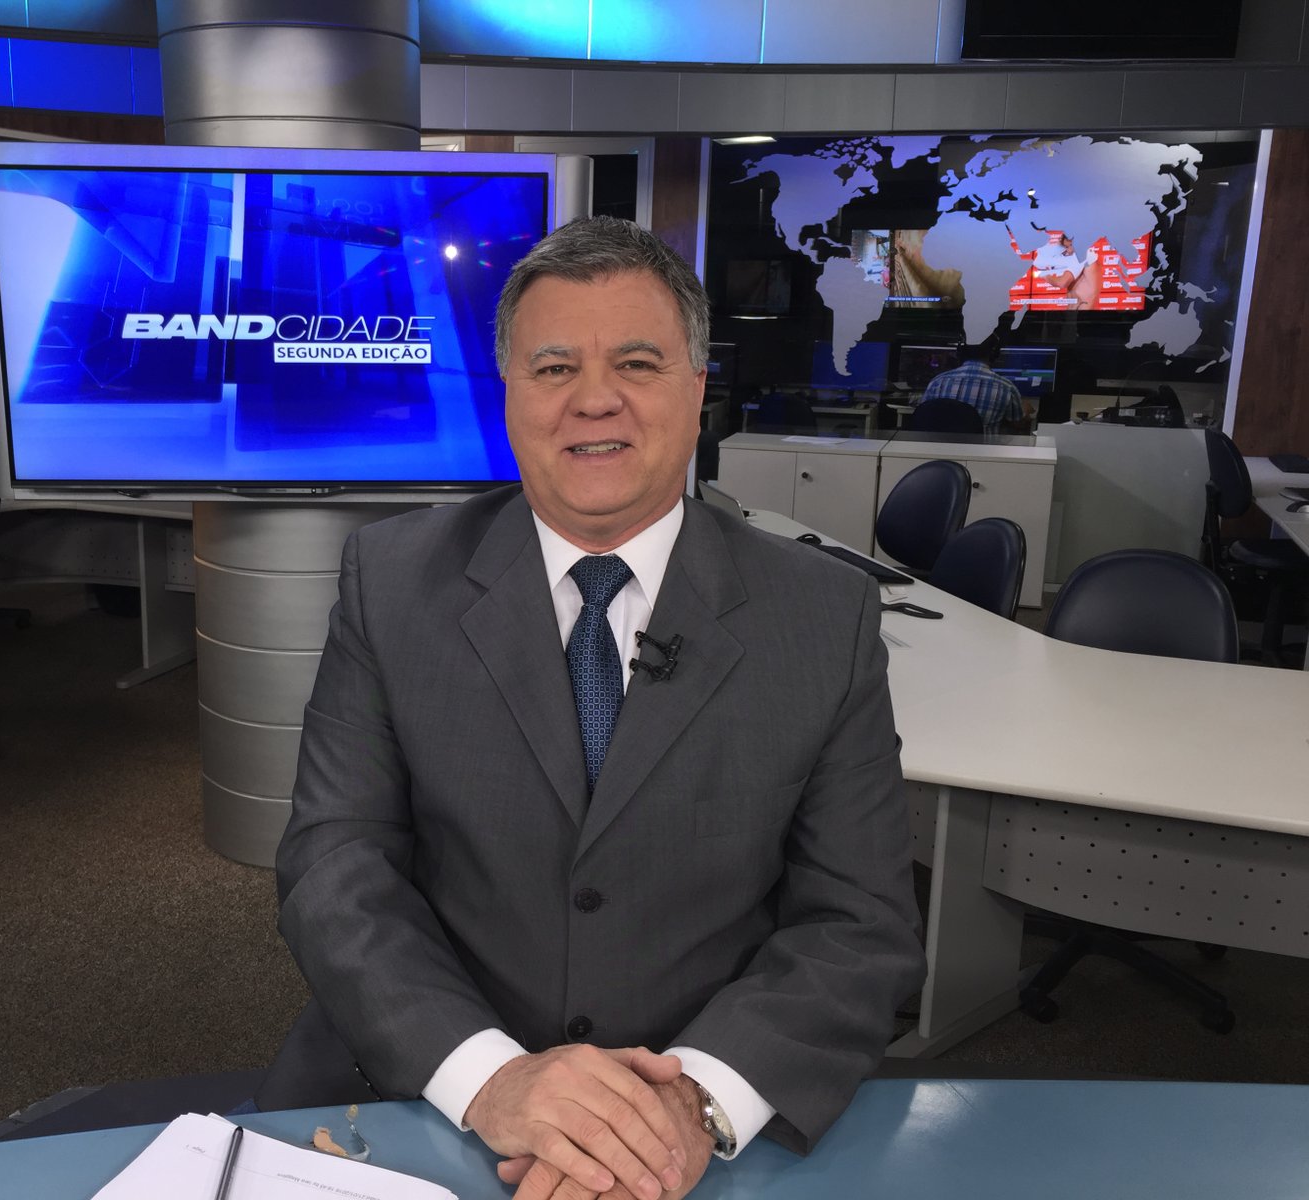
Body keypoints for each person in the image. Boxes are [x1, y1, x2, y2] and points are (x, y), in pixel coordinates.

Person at [259, 216, 925, 1199]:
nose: (594, 398)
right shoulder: (389, 580)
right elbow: (334, 866)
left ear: (697, 388)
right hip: (426, 1096)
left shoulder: (823, 616)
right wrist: (491, 1078)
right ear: (509, 393)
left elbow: (859, 922)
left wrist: (687, 1107)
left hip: (692, 1122)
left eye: (638, 363)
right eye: (554, 366)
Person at [915, 341, 1027, 433]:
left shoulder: (938, 381)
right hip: (982, 452)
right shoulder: (1006, 387)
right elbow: (1018, 424)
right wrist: (1025, 410)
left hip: (938, 451)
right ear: (994, 354)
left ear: (960, 353)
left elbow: (923, 415)